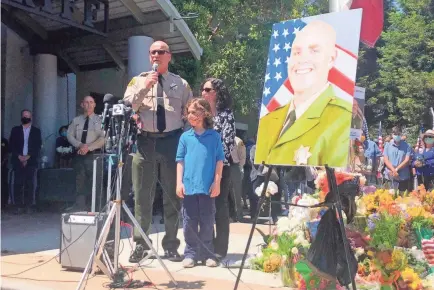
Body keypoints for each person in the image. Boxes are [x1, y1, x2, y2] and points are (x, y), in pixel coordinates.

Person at [124, 41, 192, 263]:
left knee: (172, 196)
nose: (156, 55)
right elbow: (128, 106)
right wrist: (145, 86)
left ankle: (171, 245)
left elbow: (190, 113)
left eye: (160, 52)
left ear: (169, 56)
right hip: (145, 143)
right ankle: (142, 244)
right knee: (142, 196)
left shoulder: (180, 84)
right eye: (152, 52)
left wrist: (187, 142)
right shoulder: (137, 81)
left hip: (172, 141)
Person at [255, 20, 352, 167]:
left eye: (314, 50)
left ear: (331, 58)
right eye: (296, 52)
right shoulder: (267, 121)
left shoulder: (343, 120)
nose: (302, 60)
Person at [176, 98, 224, 268]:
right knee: (189, 221)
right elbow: (180, 161)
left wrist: (217, 183)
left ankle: (207, 253)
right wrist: (178, 183)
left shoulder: (214, 137)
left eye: (194, 112)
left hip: (207, 187)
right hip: (189, 187)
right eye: (188, 112)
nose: (190, 116)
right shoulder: (185, 137)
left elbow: (219, 161)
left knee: (207, 220)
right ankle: (190, 253)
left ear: (204, 114)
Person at [201, 77, 235, 259]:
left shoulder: (226, 115)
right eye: (203, 89)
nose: (203, 93)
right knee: (204, 207)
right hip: (202, 167)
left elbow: (227, 143)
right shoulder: (201, 115)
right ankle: (206, 245)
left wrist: (215, 165)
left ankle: (220, 248)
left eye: (207, 90)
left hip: (222, 167)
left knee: (220, 206)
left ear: (216, 93)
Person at [67, 96, 105, 210]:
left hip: (94, 155)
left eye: (91, 102)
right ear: (82, 105)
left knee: (96, 181)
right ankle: (79, 206)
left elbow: (103, 138)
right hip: (79, 154)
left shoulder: (100, 120)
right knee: (80, 181)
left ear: (94, 105)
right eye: (86, 102)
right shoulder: (76, 120)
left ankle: (97, 207)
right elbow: (69, 135)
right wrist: (80, 145)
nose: (88, 104)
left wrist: (89, 147)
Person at [9, 109, 42, 213]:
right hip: (17, 160)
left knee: (30, 183)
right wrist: (19, 156)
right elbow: (11, 144)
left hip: (30, 160)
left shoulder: (36, 131)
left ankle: (28, 205)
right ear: (21, 117)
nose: (26, 118)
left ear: (31, 118)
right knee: (17, 183)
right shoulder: (15, 130)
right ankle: (18, 206)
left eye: (28, 116)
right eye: (24, 116)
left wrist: (28, 156)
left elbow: (37, 146)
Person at [383, 126, 412, 192]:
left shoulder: (407, 146)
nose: (397, 136)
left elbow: (406, 160)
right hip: (389, 175)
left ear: (401, 134)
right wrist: (393, 170)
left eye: (398, 134)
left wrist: (397, 169)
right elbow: (386, 160)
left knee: (402, 198)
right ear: (392, 135)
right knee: (388, 198)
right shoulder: (387, 145)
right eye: (395, 134)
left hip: (403, 176)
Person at [229, 135, 246, 222]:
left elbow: (242, 157)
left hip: (234, 166)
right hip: (222, 166)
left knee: (236, 194)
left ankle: (239, 216)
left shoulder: (238, 141)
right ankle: (230, 215)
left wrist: (239, 168)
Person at [2, 137, 9, 209]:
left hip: (3, 167)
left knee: (3, 185)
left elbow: (7, 154)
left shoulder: (3, 140)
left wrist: (2, 163)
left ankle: (4, 203)